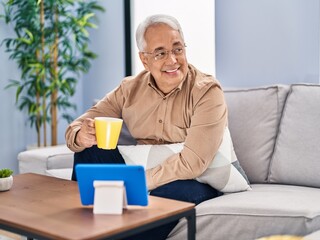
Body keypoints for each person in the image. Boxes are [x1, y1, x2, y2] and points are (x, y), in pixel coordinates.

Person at [65, 14, 227, 240]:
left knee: (165, 196)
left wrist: (137, 182)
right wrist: (79, 136)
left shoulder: (207, 91)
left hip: (191, 181)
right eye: (161, 53)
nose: (172, 60)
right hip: (138, 173)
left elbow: (193, 163)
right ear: (144, 59)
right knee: (89, 148)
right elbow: (80, 124)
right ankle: (79, 230)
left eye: (178, 49)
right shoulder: (129, 89)